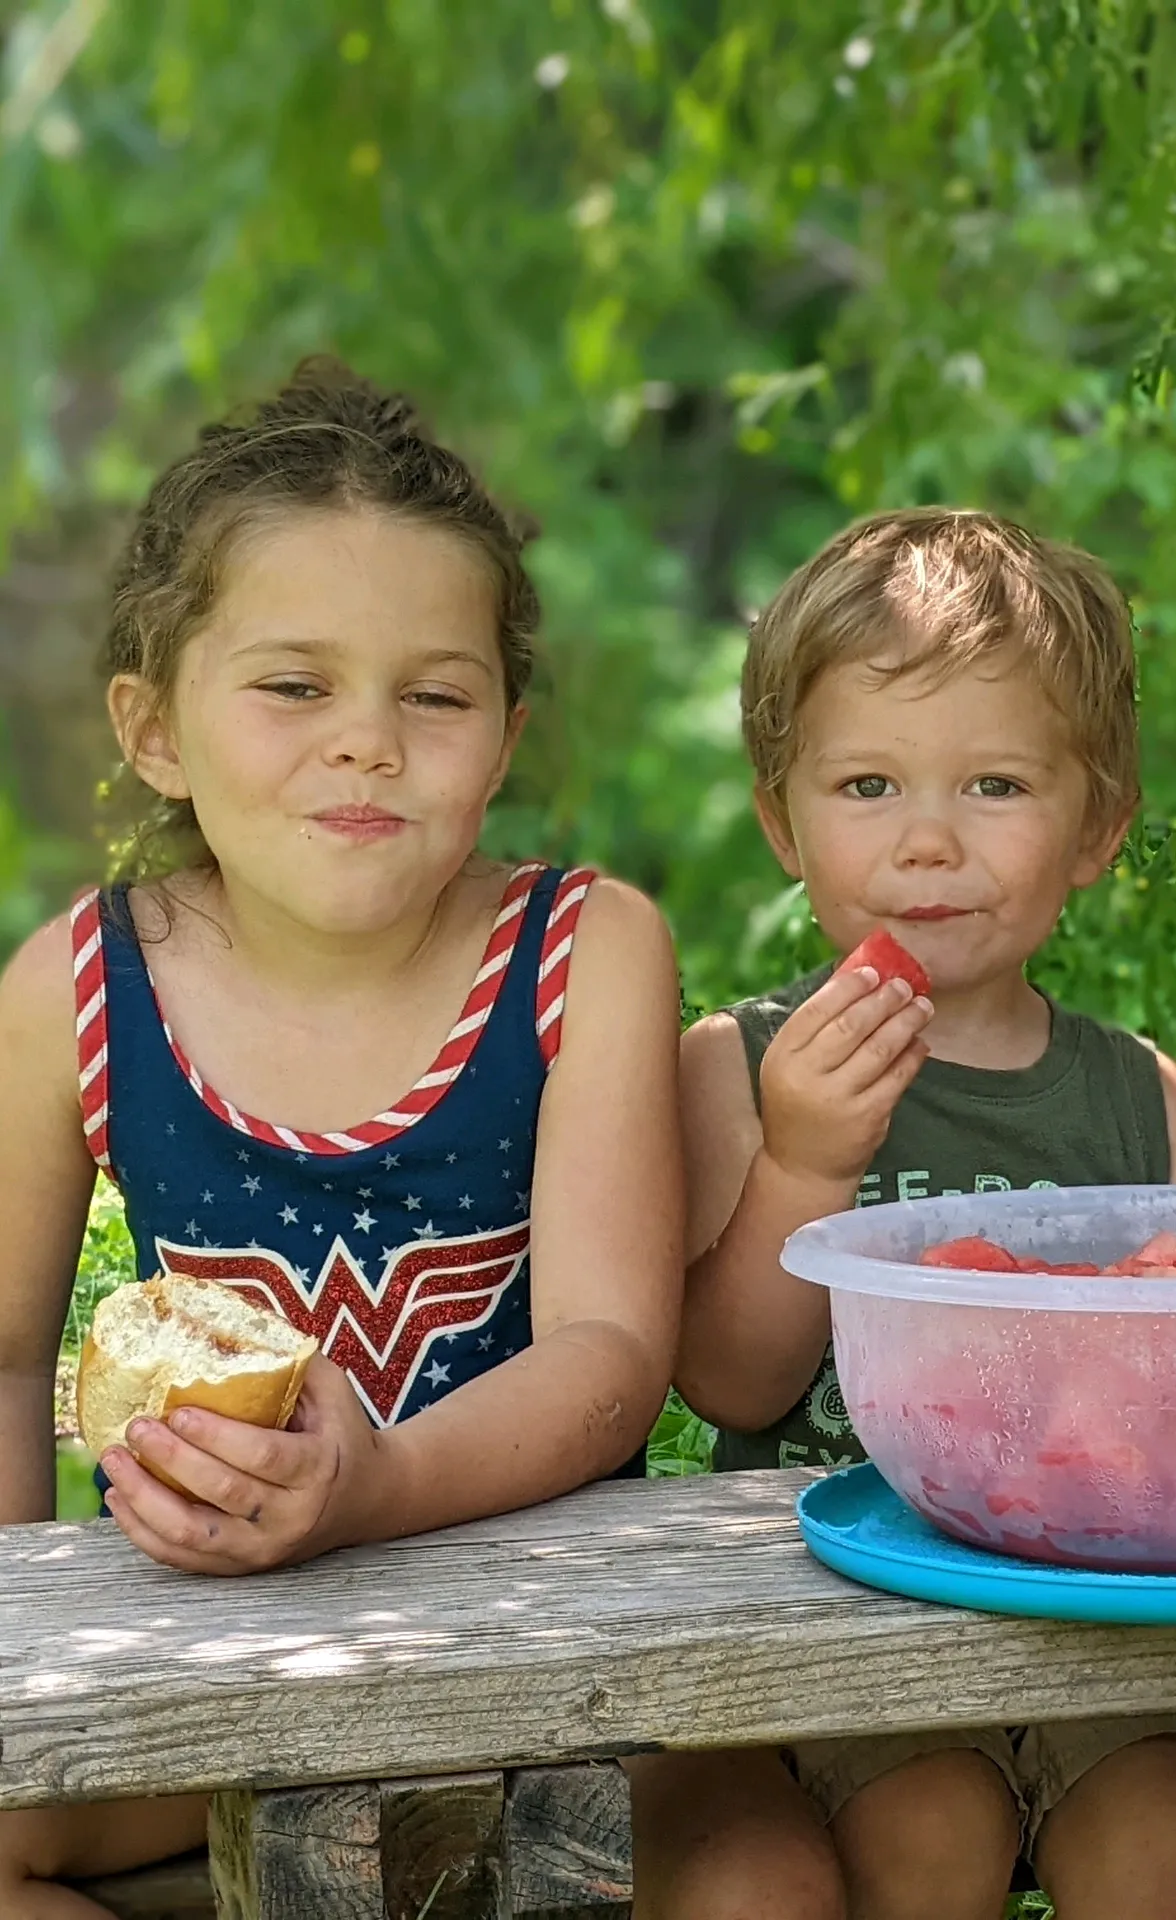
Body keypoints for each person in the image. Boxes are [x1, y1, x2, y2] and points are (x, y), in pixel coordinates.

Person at [0, 361, 684, 1917]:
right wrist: (29, 1660)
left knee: (766, 1885)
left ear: (503, 737)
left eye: (432, 695)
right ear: (154, 729)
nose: (367, 741)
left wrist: (370, 1488)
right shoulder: (75, 991)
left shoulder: (586, 952)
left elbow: (611, 1350)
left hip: (564, 1659)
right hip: (212, 1667)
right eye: (294, 685)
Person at [637, 508, 1176, 1920]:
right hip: (851, 1606)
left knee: (1167, 1832)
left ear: (1096, 828)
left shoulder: (1148, 1101)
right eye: (866, 786)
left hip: (1107, 1601)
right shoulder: (736, 1069)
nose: (928, 842)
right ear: (781, 822)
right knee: (935, 1833)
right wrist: (804, 1164)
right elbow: (729, 1380)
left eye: (992, 785)